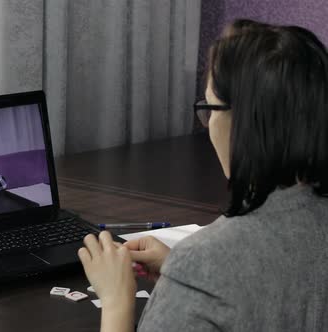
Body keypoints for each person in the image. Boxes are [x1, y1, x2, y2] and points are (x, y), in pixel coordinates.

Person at [78, 21, 328, 331]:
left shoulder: (201, 260)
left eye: (209, 107)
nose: (208, 123)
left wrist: (117, 301)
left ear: (244, 121)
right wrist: (183, 271)